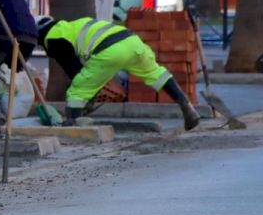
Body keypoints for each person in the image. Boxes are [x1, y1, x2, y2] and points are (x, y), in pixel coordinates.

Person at [36, 15, 200, 130]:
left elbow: (73, 70)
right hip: (133, 42)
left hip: (109, 50)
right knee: (157, 74)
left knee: (77, 90)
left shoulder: (53, 37)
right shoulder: (71, 26)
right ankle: (185, 104)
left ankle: (74, 124)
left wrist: (88, 93)